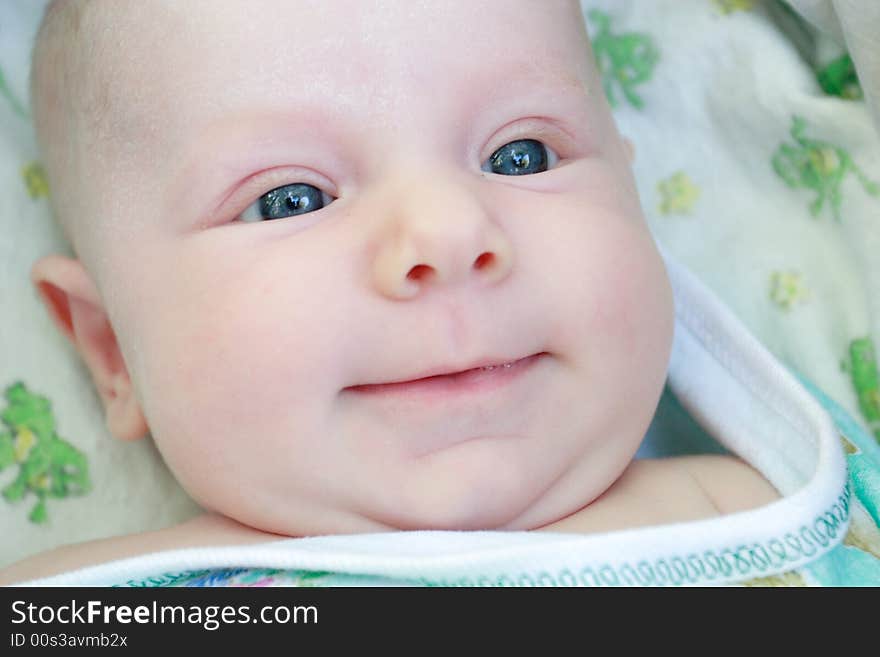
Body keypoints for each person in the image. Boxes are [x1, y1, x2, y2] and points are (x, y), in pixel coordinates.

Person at [0, 0, 783, 585]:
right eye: (291, 199)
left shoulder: (760, 510)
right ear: (112, 352)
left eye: (520, 154)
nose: (448, 233)